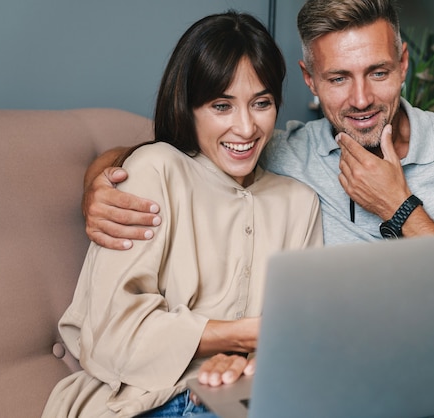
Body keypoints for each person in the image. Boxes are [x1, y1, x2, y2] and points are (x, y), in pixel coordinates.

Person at [82, 0, 434, 417]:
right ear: (310, 81)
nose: (360, 98)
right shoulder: (284, 153)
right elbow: (189, 143)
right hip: (366, 378)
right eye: (338, 78)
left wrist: (399, 208)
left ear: (404, 64)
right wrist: (99, 178)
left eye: (377, 72)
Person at [42, 11, 322, 418]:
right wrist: (246, 335)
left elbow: (301, 335)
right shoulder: (155, 170)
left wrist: (252, 357)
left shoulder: (299, 202)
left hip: (248, 396)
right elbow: (112, 337)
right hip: (143, 401)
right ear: (189, 106)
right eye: (221, 105)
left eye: (261, 103)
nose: (245, 128)